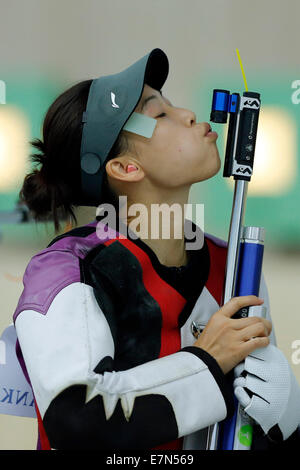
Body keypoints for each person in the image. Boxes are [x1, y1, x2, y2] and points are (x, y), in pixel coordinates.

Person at [13, 48, 300, 450]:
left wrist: (286, 421)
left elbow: (243, 434)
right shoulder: (65, 270)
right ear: (126, 168)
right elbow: (76, 418)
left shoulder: (231, 265)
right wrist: (207, 362)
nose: (188, 114)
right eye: (159, 114)